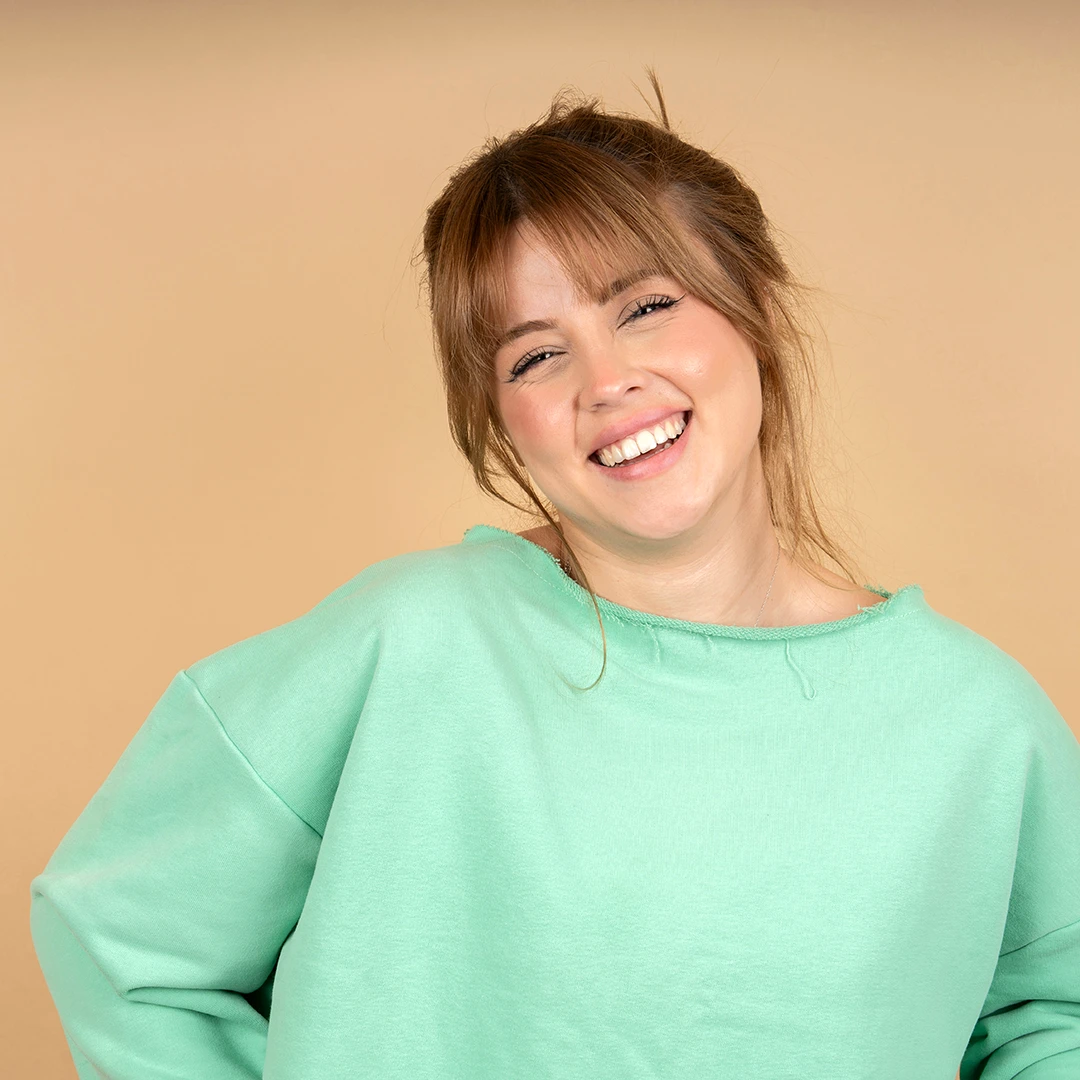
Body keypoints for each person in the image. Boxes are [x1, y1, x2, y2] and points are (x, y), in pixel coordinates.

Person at [30, 74, 1080, 1080]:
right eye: (534, 356)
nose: (606, 381)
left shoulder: (977, 726)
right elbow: (121, 934)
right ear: (499, 422)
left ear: (755, 302)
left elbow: (1057, 1023)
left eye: (646, 305)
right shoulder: (405, 648)